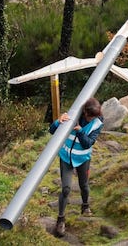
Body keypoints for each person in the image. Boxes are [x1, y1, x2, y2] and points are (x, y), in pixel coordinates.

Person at [49, 97, 104, 237]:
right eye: (89, 116)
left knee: (84, 185)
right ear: (84, 112)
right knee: (66, 188)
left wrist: (80, 131)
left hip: (83, 158)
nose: (91, 119)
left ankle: (85, 206)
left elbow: (88, 143)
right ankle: (60, 220)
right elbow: (51, 130)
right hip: (66, 156)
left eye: (94, 116)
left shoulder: (98, 122)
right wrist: (58, 122)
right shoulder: (73, 116)